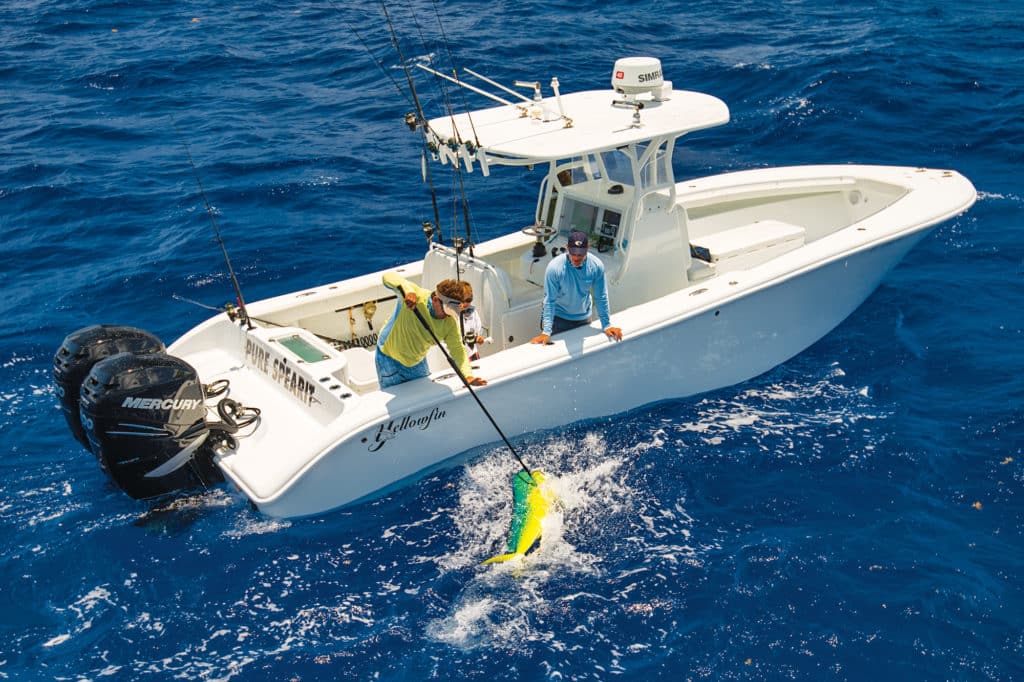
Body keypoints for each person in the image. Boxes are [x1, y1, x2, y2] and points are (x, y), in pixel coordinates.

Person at [375, 272, 487, 389]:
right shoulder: (417, 295)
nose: (448, 317)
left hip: (416, 361)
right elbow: (387, 277)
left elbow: (458, 351)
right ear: (435, 300)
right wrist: (408, 291)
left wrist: (467, 376)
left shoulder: (450, 324)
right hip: (388, 357)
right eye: (447, 312)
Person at [530, 230, 623, 344]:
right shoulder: (554, 268)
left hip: (584, 319)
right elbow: (549, 300)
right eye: (573, 253)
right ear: (567, 248)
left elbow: (601, 296)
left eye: (580, 254)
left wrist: (606, 325)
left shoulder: (596, 266)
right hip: (559, 320)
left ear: (587, 248)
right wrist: (546, 331)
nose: (576, 257)